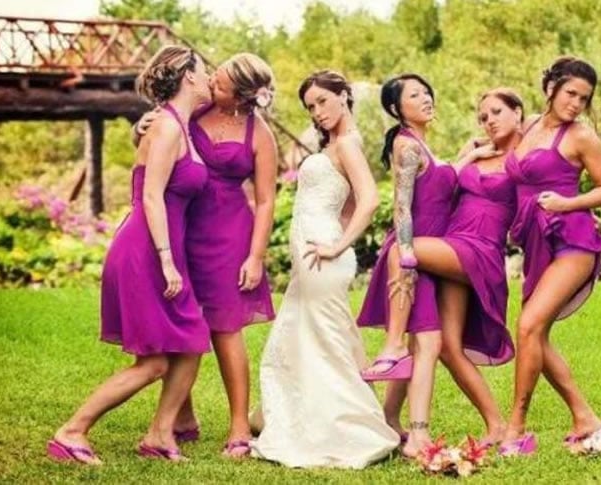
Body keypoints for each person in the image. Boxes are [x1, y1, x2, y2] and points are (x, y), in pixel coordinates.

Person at [48, 45, 212, 464]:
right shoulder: (168, 127)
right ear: (189, 76)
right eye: (205, 69)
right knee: (154, 362)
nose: (210, 76)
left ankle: (160, 434)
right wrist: (166, 259)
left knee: (191, 340)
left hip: (160, 246)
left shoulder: (176, 124)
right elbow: (152, 196)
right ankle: (72, 431)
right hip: (147, 250)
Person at [250, 70, 399, 468]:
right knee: (305, 335)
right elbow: (347, 204)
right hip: (314, 255)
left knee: (325, 339)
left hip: (324, 256)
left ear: (344, 96)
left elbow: (369, 199)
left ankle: (348, 428)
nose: (317, 112)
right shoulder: (336, 143)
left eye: (322, 101)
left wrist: (338, 244)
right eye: (310, 107)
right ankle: (298, 416)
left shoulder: (347, 143)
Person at [135, 53, 277, 456]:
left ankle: (239, 427)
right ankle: (182, 417)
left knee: (225, 329)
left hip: (228, 234)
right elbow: (157, 142)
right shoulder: (194, 109)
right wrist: (139, 126)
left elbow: (266, 200)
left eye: (222, 82)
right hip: (182, 225)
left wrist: (255, 256)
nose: (212, 81)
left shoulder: (259, 134)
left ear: (243, 95)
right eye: (214, 75)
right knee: (179, 321)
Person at [380, 88, 523, 448]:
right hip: (452, 244)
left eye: (497, 112)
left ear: (518, 112)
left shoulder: (524, 159)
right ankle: (496, 425)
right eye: (483, 117)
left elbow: (538, 202)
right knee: (446, 347)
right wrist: (469, 154)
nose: (489, 121)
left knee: (401, 249)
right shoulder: (477, 154)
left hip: (481, 249)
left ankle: (393, 347)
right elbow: (444, 184)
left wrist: (575, 212)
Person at [498, 56, 601, 456]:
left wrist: (567, 203)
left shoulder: (581, 136)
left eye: (584, 98)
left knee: (529, 325)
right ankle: (585, 417)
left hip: (573, 240)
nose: (576, 103)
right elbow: (506, 162)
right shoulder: (530, 125)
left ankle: (516, 428)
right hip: (537, 244)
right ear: (550, 88)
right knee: (535, 333)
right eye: (571, 93)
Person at [357, 74, 457, 458]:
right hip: (411, 255)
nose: (426, 98)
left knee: (420, 343)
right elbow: (401, 206)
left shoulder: (420, 143)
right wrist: (407, 256)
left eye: (427, 91)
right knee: (428, 343)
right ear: (397, 109)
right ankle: (418, 437)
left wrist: (468, 155)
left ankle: (388, 419)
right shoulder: (407, 146)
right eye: (415, 95)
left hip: (428, 253)